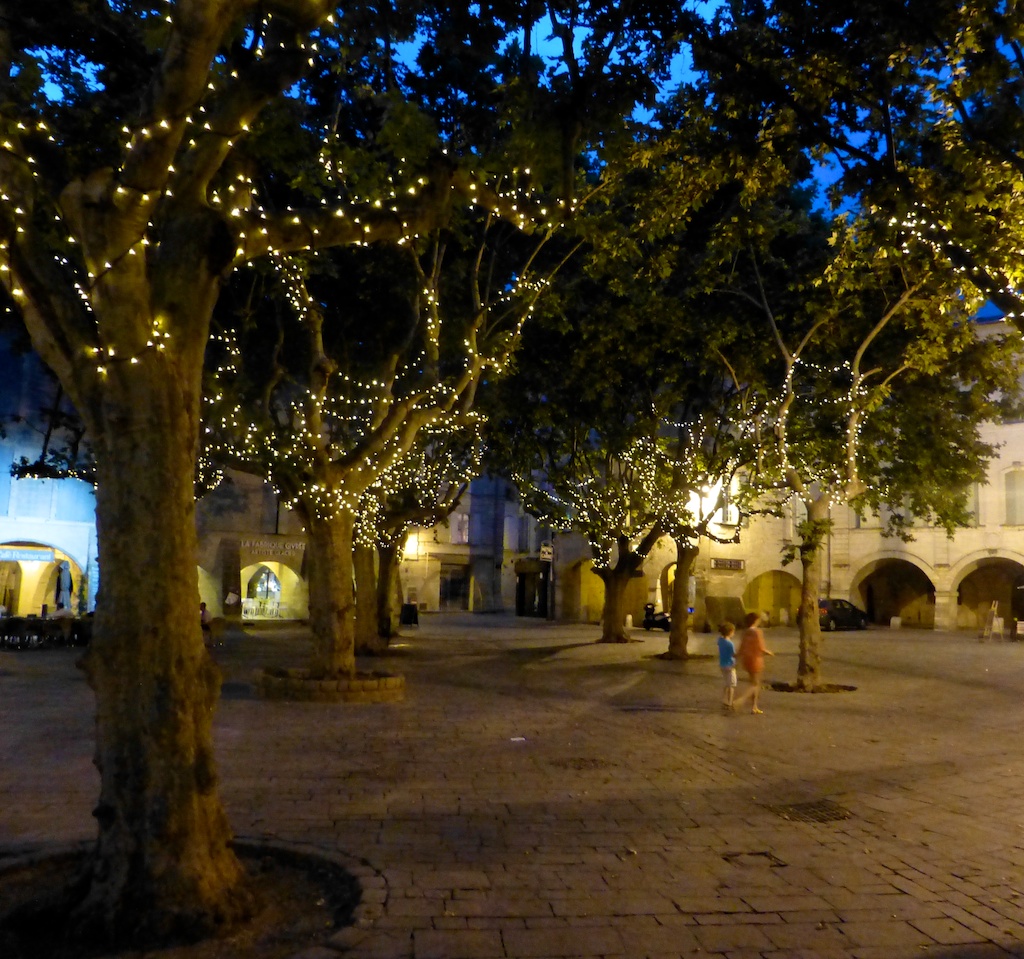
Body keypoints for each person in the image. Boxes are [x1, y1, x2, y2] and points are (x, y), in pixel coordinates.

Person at [735, 611, 774, 714]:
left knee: (753, 682)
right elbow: (761, 647)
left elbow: (741, 647)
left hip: (746, 659)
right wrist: (769, 653)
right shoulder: (757, 632)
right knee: (756, 684)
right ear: (756, 621)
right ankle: (741, 700)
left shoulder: (745, 632)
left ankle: (754, 706)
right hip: (756, 659)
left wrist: (737, 657)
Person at [716, 621, 737, 710]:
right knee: (731, 684)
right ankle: (730, 701)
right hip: (730, 665)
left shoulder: (720, 640)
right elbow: (733, 654)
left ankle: (724, 699)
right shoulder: (730, 643)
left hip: (722, 664)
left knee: (726, 683)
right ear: (730, 632)